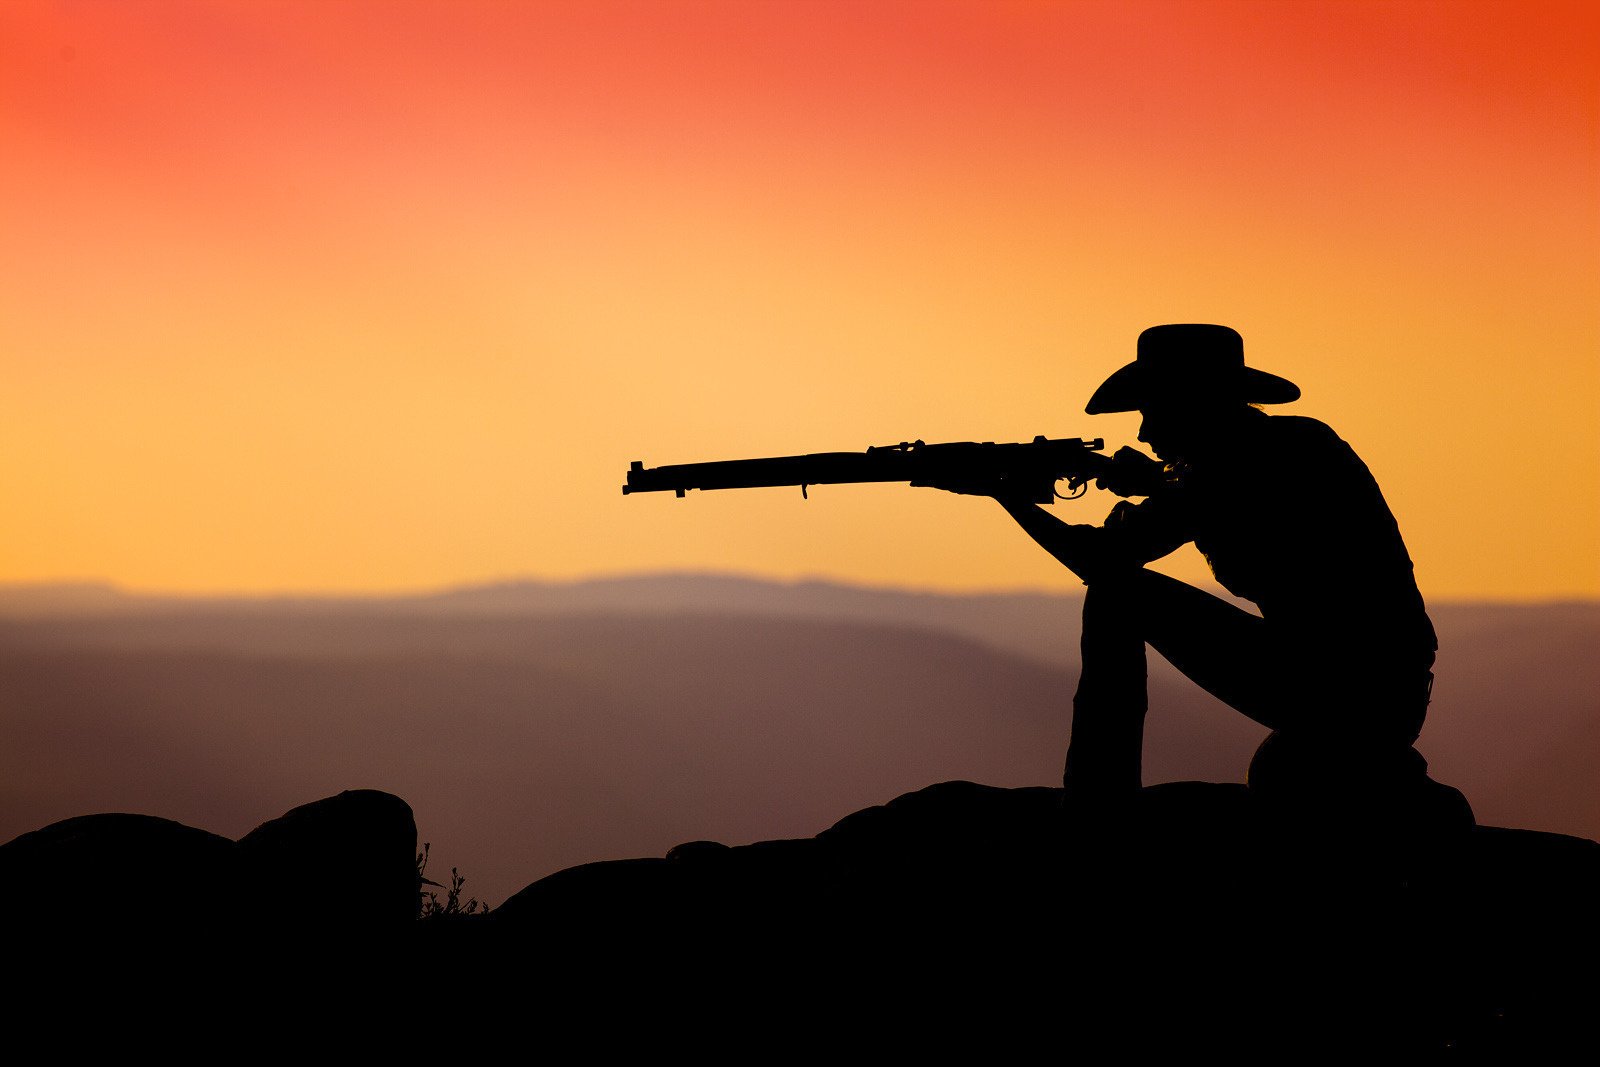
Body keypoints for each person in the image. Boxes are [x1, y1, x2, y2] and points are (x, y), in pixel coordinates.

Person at [933, 324, 1465, 830]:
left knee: (1116, 594)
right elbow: (1214, 502)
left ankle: (1097, 805)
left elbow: (1104, 558)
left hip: (1344, 687)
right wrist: (1154, 485)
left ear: (1193, 404)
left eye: (1153, 411)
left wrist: (1008, 497)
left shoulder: (1250, 460)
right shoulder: (1281, 448)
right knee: (1284, 771)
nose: (1143, 430)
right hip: (1371, 689)